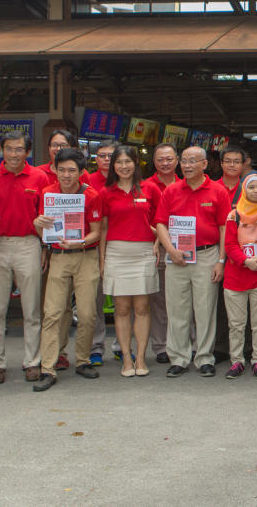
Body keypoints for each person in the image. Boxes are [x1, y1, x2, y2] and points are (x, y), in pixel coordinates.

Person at [0, 130, 50, 384]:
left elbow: (45, 214)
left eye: (19, 149)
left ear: (28, 152)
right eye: (9, 149)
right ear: (1, 150)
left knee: (31, 308)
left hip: (28, 244)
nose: (13, 154)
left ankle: (32, 360)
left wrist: (44, 247)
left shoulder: (39, 177)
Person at [33, 148, 105, 391]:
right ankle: (48, 367)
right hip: (59, 256)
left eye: (71, 170)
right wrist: (38, 224)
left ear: (81, 172)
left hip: (85, 256)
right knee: (52, 313)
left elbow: (97, 231)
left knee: (86, 314)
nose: (66, 175)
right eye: (61, 169)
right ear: (54, 169)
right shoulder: (47, 194)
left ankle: (83, 360)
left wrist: (80, 241)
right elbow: (44, 231)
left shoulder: (91, 195)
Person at [155, 145, 229, 377]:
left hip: (207, 255)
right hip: (177, 256)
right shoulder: (171, 191)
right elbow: (160, 224)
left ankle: (205, 356)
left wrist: (220, 260)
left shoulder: (218, 191)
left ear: (205, 164)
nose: (186, 166)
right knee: (177, 309)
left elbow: (224, 227)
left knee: (205, 309)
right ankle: (178, 357)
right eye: (184, 161)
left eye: (192, 161)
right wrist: (170, 250)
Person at [102, 145, 159, 377]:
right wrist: (102, 260)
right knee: (122, 309)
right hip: (116, 253)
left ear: (136, 164)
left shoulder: (151, 189)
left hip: (144, 252)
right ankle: (126, 357)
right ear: (113, 166)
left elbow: (160, 222)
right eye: (119, 162)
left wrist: (157, 245)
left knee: (142, 308)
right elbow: (103, 228)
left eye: (128, 162)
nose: (124, 166)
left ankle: (142, 357)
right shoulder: (106, 193)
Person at [222, 173, 257, 378]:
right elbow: (229, 244)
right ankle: (236, 361)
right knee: (236, 324)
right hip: (235, 276)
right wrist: (245, 261)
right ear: (244, 190)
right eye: (251, 187)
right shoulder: (233, 215)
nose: (256, 191)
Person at [142, 142, 181, 365]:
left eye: (169, 159)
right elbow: (144, 219)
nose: (165, 163)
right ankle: (161, 346)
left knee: (183, 300)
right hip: (157, 250)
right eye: (160, 159)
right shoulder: (145, 186)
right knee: (159, 301)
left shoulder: (187, 184)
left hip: (185, 249)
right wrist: (160, 237)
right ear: (153, 162)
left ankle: (186, 343)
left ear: (177, 160)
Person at [83, 141, 116, 367]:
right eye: (102, 155)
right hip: (93, 246)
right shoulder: (87, 182)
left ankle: (122, 347)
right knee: (95, 301)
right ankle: (96, 347)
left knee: (124, 301)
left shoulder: (127, 180)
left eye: (111, 156)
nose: (106, 159)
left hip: (120, 246)